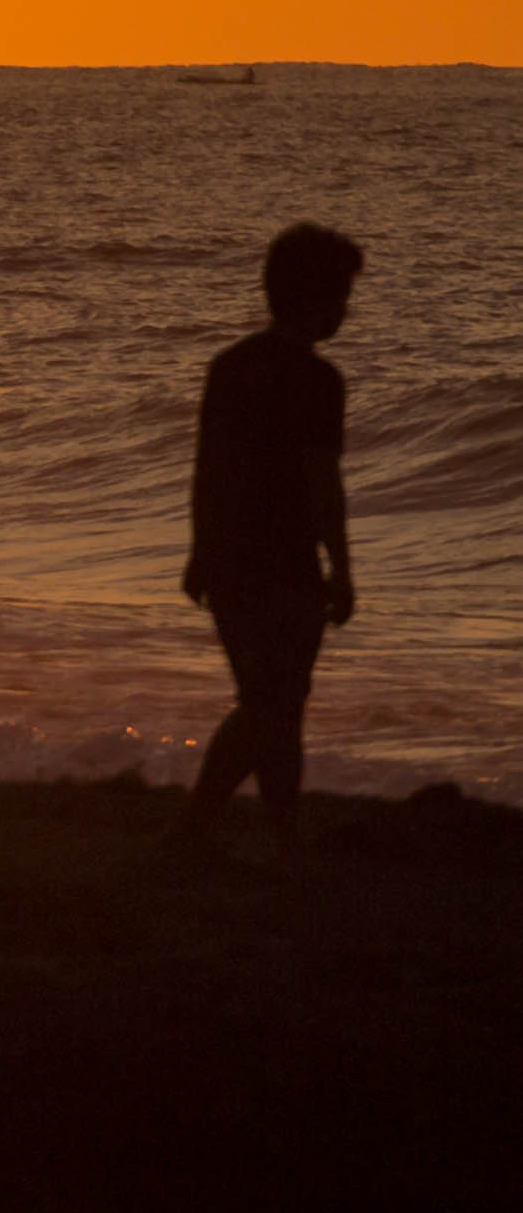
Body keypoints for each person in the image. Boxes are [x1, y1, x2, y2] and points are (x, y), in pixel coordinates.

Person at [182, 221, 362, 859]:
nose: (345, 312)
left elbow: (207, 469)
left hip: (231, 559)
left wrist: (200, 550)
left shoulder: (230, 367)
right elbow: (323, 484)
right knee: (275, 704)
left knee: (271, 703)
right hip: (286, 565)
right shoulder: (320, 382)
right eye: (341, 297)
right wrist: (342, 570)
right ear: (315, 298)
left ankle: (281, 832)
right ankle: (201, 822)